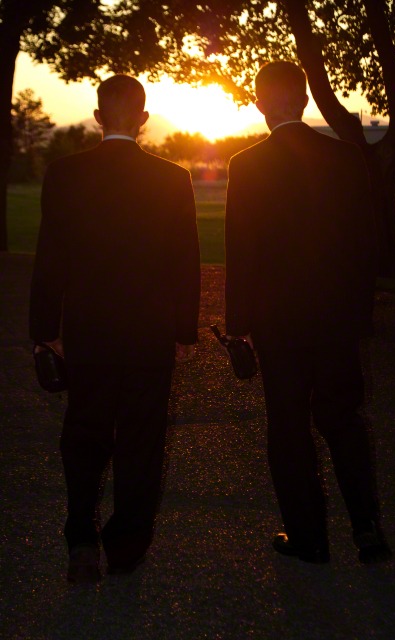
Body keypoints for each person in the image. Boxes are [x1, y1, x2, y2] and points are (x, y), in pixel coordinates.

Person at [29, 75, 200, 582]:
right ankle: (126, 544)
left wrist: (44, 330)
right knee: (142, 440)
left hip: (89, 330)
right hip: (148, 333)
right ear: (143, 120)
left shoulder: (65, 174)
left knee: (84, 432)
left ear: (98, 116)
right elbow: (185, 261)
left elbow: (49, 258)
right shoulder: (172, 178)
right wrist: (184, 330)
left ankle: (81, 538)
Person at [225, 60, 391, 564]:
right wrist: (359, 313)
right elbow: (365, 243)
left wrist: (237, 327)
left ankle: (308, 537)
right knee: (344, 420)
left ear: (260, 103)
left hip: (278, 321)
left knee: (289, 426)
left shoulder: (247, 165)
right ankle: (366, 528)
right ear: (304, 100)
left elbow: (241, 251)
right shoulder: (345, 157)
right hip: (335, 317)